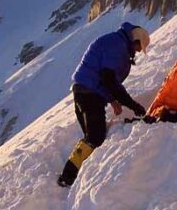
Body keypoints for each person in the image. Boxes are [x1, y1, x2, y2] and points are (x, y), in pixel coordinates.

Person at [57, 23, 150, 187]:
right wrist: (132, 105)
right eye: (138, 46)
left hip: (83, 91)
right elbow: (108, 79)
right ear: (134, 39)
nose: (137, 51)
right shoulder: (117, 46)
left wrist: (112, 100)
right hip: (89, 94)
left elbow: (101, 78)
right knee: (95, 137)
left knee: (91, 137)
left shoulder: (115, 41)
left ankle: (78, 176)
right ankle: (67, 177)